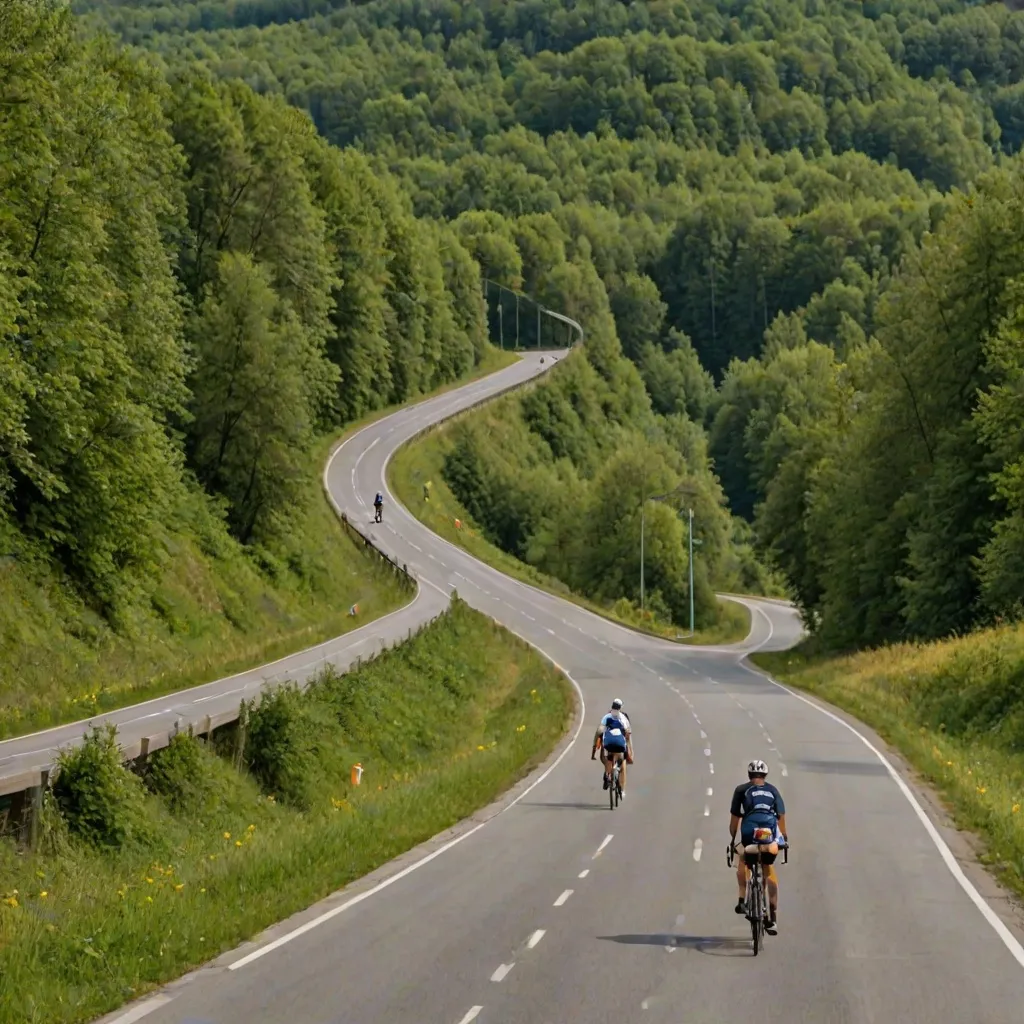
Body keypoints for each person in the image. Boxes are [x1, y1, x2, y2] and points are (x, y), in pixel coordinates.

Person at [729, 759, 787, 935]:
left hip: (749, 831)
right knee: (768, 868)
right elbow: (781, 817)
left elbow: (734, 820)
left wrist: (733, 840)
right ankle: (773, 918)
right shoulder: (773, 791)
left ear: (749, 776)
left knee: (743, 857)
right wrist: (784, 838)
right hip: (769, 834)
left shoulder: (741, 790)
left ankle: (742, 899)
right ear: (765, 776)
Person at [590, 698, 633, 795]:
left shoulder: (607, 716)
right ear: (621, 708)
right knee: (622, 765)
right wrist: (630, 750)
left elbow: (599, 731)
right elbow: (628, 734)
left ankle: (607, 774)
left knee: (607, 758)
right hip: (620, 745)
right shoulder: (623, 717)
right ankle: (622, 790)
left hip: (608, 745)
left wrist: (593, 751)